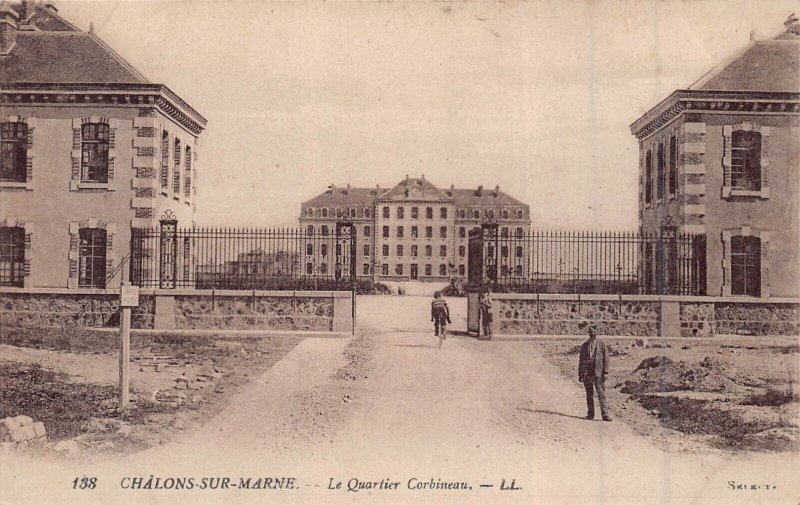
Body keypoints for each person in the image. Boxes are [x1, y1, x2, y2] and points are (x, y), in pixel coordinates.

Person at [578, 325, 611, 421]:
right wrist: (580, 373)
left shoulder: (601, 345)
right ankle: (590, 414)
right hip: (587, 373)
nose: (592, 333)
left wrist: (605, 372)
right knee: (589, 395)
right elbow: (581, 360)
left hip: (598, 373)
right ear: (588, 333)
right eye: (590, 331)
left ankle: (605, 414)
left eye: (594, 331)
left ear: (597, 332)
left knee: (601, 394)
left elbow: (606, 359)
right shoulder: (584, 346)